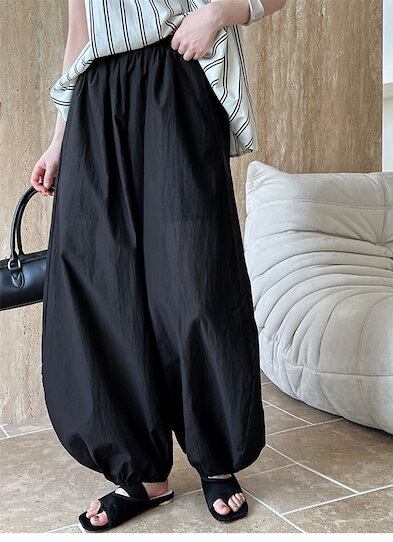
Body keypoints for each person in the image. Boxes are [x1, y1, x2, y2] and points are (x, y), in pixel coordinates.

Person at [30, 0, 286, 532]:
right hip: (96, 100)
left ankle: (217, 458)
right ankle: (142, 473)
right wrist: (59, 139)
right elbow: (79, 35)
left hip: (176, 80)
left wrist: (218, 14)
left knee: (194, 280)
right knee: (105, 286)